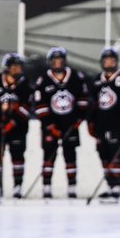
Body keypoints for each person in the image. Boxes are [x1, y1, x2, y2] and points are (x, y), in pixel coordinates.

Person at [32, 46, 88, 200]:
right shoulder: (43, 80)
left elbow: (83, 100)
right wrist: (50, 126)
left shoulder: (76, 77)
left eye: (60, 60)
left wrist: (79, 119)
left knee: (70, 156)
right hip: (50, 126)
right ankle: (46, 186)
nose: (58, 63)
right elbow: (39, 105)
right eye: (55, 60)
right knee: (48, 156)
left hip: (70, 125)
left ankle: (72, 186)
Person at [88, 47, 120, 203]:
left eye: (112, 60)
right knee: (103, 154)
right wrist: (91, 121)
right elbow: (93, 103)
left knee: (116, 154)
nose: (109, 62)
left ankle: (117, 187)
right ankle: (110, 185)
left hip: (119, 123)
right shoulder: (97, 80)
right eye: (106, 60)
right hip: (101, 124)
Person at [0, 53, 31, 201]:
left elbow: (27, 107)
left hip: (18, 127)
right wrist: (0, 109)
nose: (18, 69)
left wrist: (13, 120)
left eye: (20, 66)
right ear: (7, 68)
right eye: (15, 67)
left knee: (17, 155)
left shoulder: (25, 84)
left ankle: (18, 187)